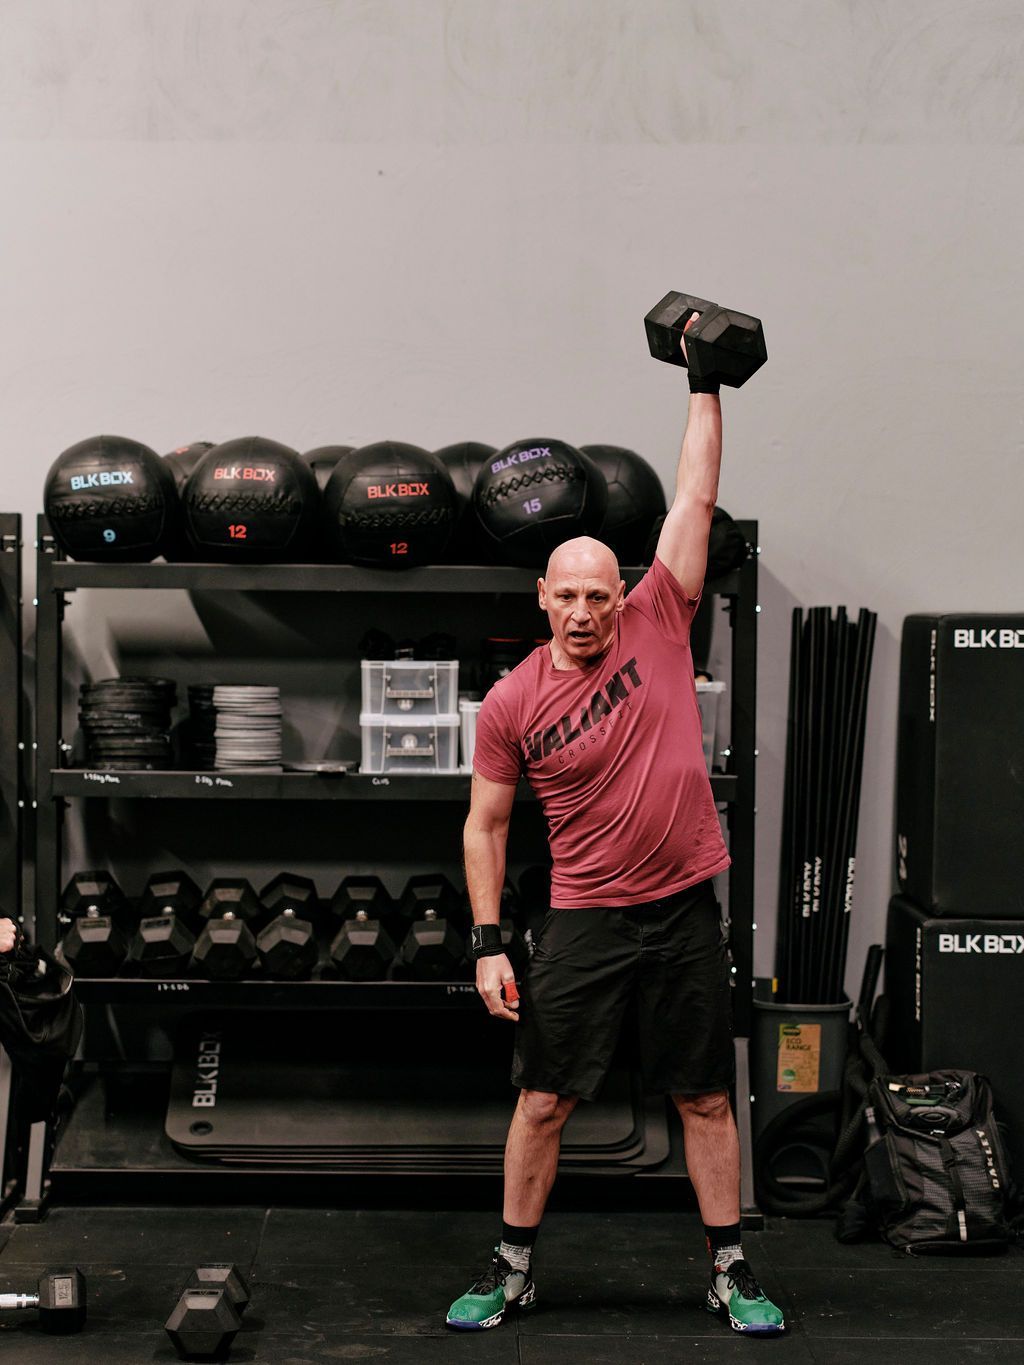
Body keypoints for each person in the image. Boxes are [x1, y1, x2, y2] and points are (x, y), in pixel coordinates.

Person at [446, 317, 784, 1336]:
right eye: (570, 597)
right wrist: (487, 942)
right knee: (544, 1099)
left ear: (619, 591)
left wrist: (703, 385)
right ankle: (513, 1267)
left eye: (600, 593)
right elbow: (484, 826)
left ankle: (729, 1268)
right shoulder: (511, 703)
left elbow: (693, 497)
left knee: (705, 1098)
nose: (587, 611)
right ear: (541, 598)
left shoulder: (660, 617)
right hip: (586, 917)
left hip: (683, 910)